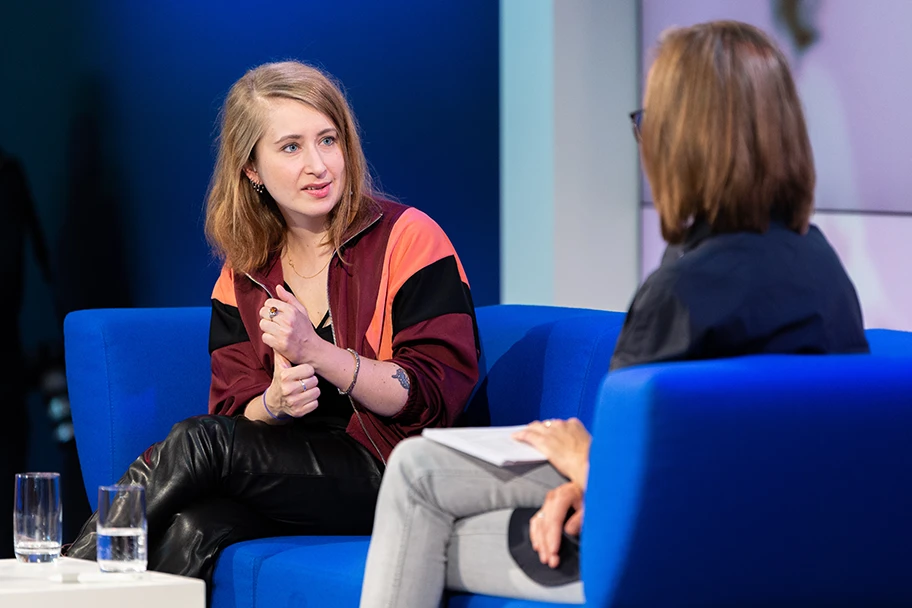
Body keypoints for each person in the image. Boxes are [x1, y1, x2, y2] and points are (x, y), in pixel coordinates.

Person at [358, 20, 870, 607]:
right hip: (789, 535)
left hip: (680, 547)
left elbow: (654, 475)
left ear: (687, 141)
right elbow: (743, 445)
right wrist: (585, 478)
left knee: (419, 474)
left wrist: (586, 461)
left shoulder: (684, 288)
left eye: (649, 124)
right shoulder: (820, 263)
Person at [66, 60, 480, 590]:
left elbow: (433, 395)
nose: (318, 165)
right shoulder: (244, 272)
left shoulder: (410, 237)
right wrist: (277, 404)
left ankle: (69, 579)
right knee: (196, 528)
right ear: (252, 170)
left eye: (328, 140)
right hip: (300, 472)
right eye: (291, 147)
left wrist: (318, 352)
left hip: (400, 468)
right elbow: (236, 410)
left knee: (200, 443)